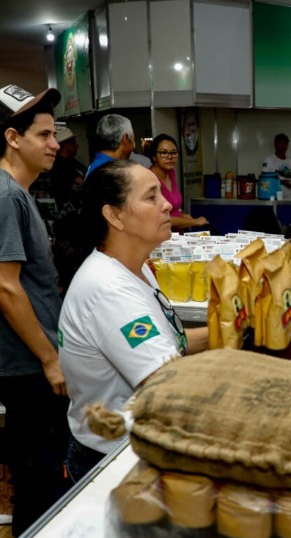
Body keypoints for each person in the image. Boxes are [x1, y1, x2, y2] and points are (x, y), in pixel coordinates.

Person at [54, 160, 210, 481]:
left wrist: (233, 329)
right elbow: (164, 384)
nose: (167, 204)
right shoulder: (109, 290)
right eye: (151, 197)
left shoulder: (134, 269)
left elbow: (169, 345)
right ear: (115, 215)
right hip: (112, 458)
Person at [0, 83, 72, 536]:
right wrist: (50, 359)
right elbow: (5, 288)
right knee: (40, 478)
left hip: (30, 358)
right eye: (44, 135)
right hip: (25, 363)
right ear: (13, 138)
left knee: (41, 473)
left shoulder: (16, 194)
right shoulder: (4, 198)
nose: (55, 144)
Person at [149, 133, 209, 231]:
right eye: (164, 153)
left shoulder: (171, 172)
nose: (170, 157)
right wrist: (195, 222)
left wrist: (183, 215)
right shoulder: (150, 179)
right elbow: (159, 218)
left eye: (173, 153)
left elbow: (173, 208)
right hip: (161, 238)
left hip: (177, 237)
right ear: (154, 156)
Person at [85, 114, 149, 179]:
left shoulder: (97, 166)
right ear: (125, 139)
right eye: (133, 139)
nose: (133, 146)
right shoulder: (111, 171)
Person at [46, 127, 88, 207]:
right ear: (66, 145)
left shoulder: (71, 162)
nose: (77, 146)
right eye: (74, 143)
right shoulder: (60, 165)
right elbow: (81, 181)